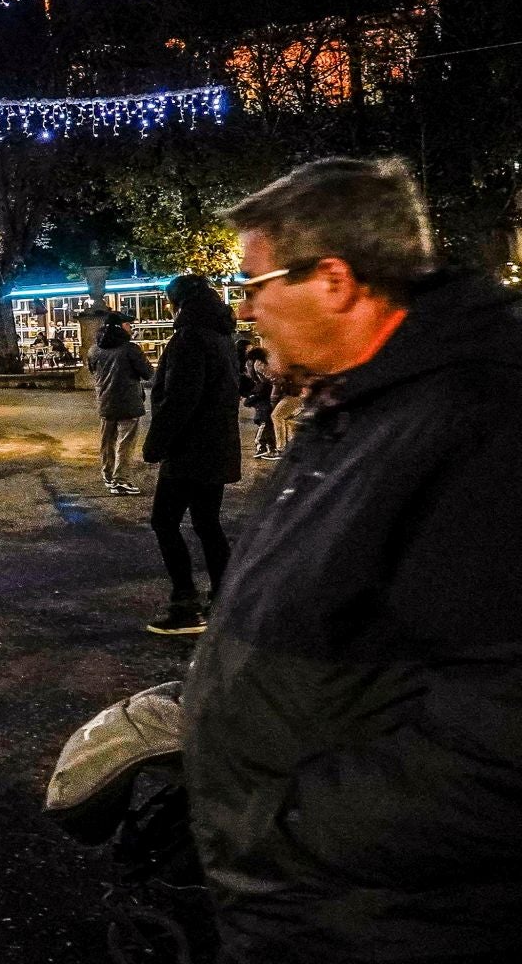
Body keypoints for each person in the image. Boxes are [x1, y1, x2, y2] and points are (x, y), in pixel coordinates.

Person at [186, 158, 522, 964]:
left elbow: (498, 731)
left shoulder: (479, 422)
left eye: (256, 281)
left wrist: (283, 826)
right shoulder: (356, 403)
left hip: (382, 920)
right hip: (306, 905)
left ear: (334, 279)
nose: (247, 307)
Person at [138, 274, 241, 635]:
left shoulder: (189, 339)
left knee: (164, 521)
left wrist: (156, 444)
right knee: (207, 523)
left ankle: (185, 604)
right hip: (217, 446)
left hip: (189, 450)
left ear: (177, 303)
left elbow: (181, 398)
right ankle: (225, 598)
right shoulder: (222, 336)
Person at [87, 311, 154, 495]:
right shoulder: (130, 349)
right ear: (120, 327)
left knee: (107, 441)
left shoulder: (94, 350)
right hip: (128, 403)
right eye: (128, 325)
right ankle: (121, 479)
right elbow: (148, 373)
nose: (131, 328)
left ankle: (108, 476)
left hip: (105, 402)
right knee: (126, 442)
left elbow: (92, 371)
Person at [242, 345, 279, 459]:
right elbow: (273, 379)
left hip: (262, 392)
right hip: (265, 392)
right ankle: (262, 445)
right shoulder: (259, 364)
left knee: (265, 418)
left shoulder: (253, 364)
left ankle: (266, 446)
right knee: (265, 418)